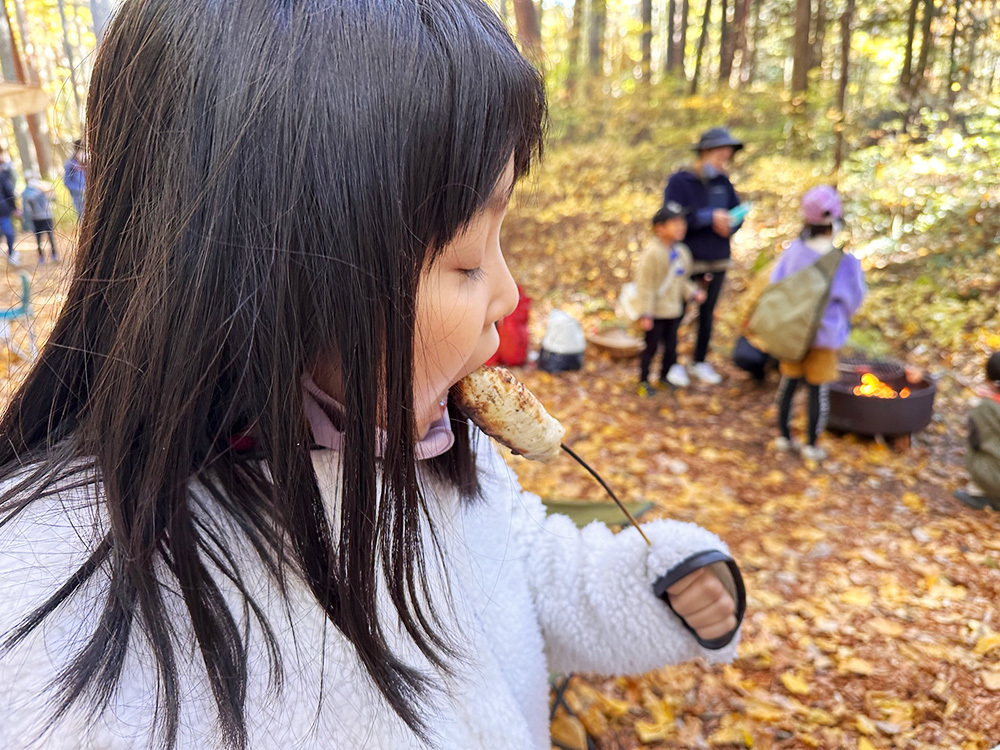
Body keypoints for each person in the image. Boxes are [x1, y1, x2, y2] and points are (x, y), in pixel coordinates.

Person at [0, 2, 745, 748]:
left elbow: (526, 565)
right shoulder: (62, 605)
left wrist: (656, 585)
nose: (509, 295)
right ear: (283, 276)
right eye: (466, 260)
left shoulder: (441, 447)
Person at [770, 186, 866, 462]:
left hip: (792, 333)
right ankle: (811, 444)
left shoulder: (793, 252)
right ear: (834, 222)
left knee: (788, 384)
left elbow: (776, 285)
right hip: (824, 337)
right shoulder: (844, 262)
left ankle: (783, 437)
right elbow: (853, 300)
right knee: (817, 390)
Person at [663, 126, 745, 386]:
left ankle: (699, 361)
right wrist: (708, 217)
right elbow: (671, 215)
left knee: (708, 312)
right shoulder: (680, 180)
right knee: (677, 310)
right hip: (688, 258)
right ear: (706, 151)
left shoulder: (724, 182)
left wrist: (730, 224)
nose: (725, 158)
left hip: (718, 257)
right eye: (721, 152)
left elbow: (737, 213)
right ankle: (671, 362)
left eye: (728, 154)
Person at [635, 201, 705, 395]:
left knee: (671, 347)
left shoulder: (682, 252)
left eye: (682, 222)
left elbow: (682, 280)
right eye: (674, 223)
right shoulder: (652, 254)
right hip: (656, 311)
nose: (680, 226)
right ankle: (644, 380)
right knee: (651, 347)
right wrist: (646, 313)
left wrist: (693, 292)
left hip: (673, 310)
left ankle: (664, 376)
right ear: (660, 228)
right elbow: (645, 286)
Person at [954, 353, 1000, 510]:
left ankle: (983, 496)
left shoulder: (986, 408)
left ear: (990, 381)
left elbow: (975, 442)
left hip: (996, 479)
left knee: (975, 452)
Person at [21, 174, 57, 263]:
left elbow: (53, 198)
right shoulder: (29, 193)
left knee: (46, 237)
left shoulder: (42, 190)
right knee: (43, 238)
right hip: (41, 217)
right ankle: (45, 256)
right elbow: (27, 208)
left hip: (42, 217)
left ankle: (51, 255)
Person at [0, 149, 17, 262]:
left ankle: (11, 253)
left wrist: (14, 207)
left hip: (3, 210)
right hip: (3, 209)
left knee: (9, 233)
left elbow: (8, 190)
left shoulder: (3, 173)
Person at [63, 138, 87, 219]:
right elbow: (66, 181)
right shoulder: (70, 165)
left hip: (89, 192)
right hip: (78, 195)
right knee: (83, 215)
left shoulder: (88, 163)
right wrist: (79, 190)